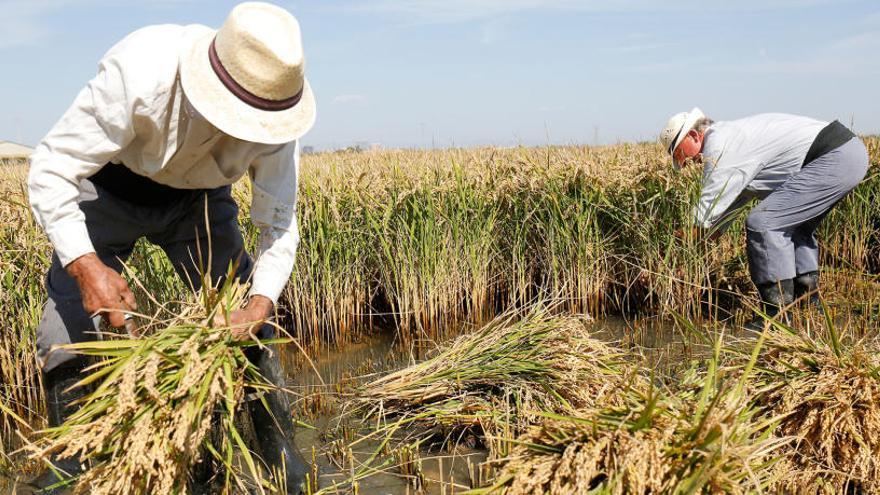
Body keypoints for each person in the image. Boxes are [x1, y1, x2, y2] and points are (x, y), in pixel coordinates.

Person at [27, 3, 315, 493]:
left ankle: (280, 454)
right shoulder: (141, 72)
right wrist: (85, 265)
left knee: (248, 319)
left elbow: (279, 224)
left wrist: (260, 304)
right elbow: (52, 167)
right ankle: (71, 464)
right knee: (63, 328)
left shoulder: (275, 111)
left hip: (200, 203)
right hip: (111, 188)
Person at [660, 109, 869, 327]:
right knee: (794, 227)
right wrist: (710, 234)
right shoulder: (733, 140)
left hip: (834, 156)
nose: (683, 164)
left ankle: (776, 317)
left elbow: (704, 215)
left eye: (678, 153)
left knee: (763, 223)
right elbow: (731, 204)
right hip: (846, 152)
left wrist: (674, 247)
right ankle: (808, 306)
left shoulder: (720, 147)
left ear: (694, 136)